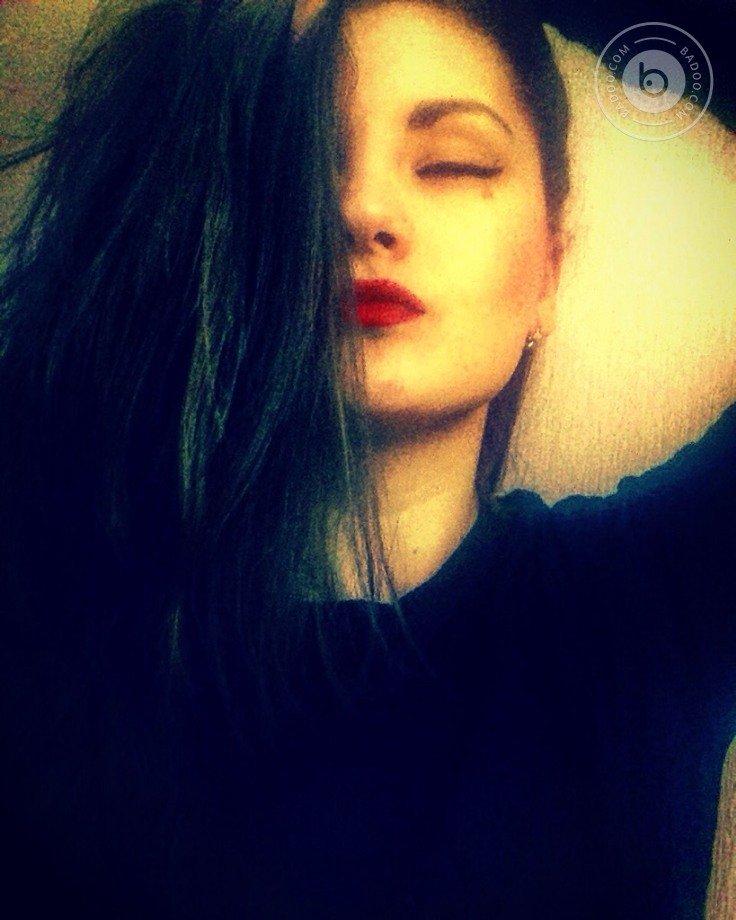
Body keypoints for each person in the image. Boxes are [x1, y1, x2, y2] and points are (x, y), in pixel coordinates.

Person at [0, 0, 733, 917]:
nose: (362, 210)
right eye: (296, 159)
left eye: (453, 162)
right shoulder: (40, 605)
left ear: (548, 271)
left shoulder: (648, 609)